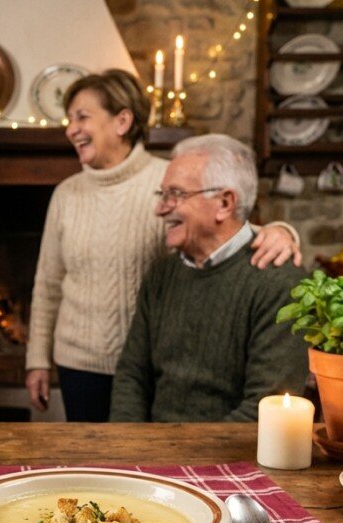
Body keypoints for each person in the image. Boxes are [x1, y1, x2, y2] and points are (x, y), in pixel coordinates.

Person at [25, 69, 303, 422]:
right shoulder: (68, 193)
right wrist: (38, 359)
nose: (70, 129)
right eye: (69, 119)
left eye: (82, 116)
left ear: (122, 120)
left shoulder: (170, 175)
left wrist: (282, 232)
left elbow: (231, 228)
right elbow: (48, 283)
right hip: (81, 361)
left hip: (153, 366)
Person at [109, 134, 309, 422]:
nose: (160, 208)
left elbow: (263, 409)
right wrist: (127, 448)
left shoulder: (280, 282)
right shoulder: (163, 273)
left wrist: (183, 460)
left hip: (228, 459)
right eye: (162, 194)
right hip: (153, 452)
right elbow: (132, 376)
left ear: (225, 203)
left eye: (175, 194)